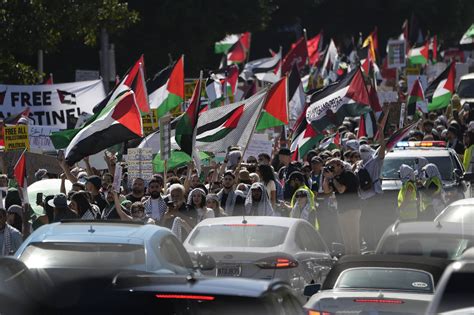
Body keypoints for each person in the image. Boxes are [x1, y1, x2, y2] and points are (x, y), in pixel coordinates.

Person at [323, 158, 360, 255]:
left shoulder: (348, 174)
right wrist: (326, 178)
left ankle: (356, 256)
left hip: (352, 209)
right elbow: (327, 191)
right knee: (346, 237)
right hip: (342, 209)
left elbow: (341, 189)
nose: (331, 169)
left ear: (339, 165)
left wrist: (333, 177)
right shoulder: (335, 178)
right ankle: (349, 256)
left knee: (353, 236)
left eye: (332, 167)